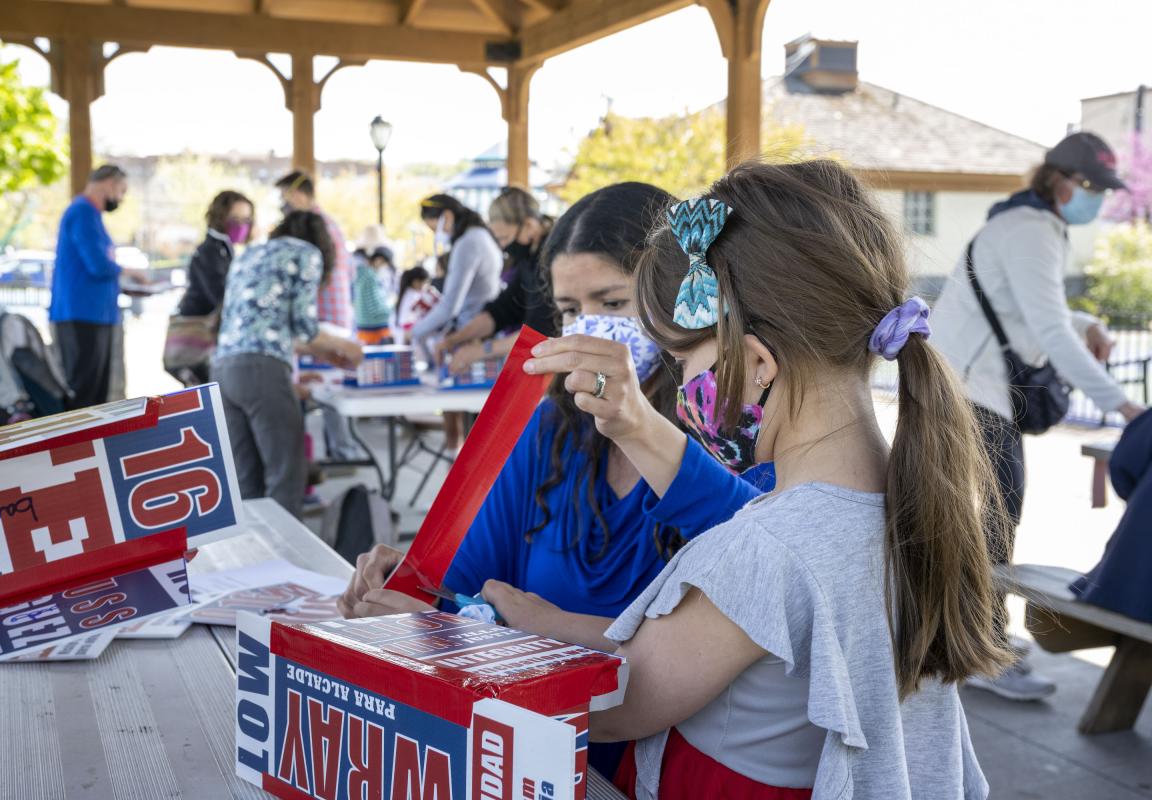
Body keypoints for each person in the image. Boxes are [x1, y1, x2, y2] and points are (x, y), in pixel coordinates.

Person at [493, 161, 1008, 798]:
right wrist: (544, 617)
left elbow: (620, 698)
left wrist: (494, 647)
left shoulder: (764, 551)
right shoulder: (907, 506)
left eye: (684, 360)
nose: (679, 388)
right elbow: (702, 647)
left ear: (757, 362)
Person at [337, 182, 774, 778]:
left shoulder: (733, 433)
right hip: (523, 757)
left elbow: (770, 555)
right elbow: (467, 588)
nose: (589, 328)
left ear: (678, 304)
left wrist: (638, 426)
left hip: (650, 773)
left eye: (613, 304)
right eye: (571, 310)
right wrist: (408, 590)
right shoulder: (548, 429)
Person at [930, 131, 1144, 701]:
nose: (1095, 199)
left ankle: (971, 636)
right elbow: (1046, 327)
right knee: (994, 519)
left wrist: (1084, 321)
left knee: (978, 518)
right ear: (1060, 181)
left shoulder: (1019, 223)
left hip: (961, 387)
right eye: (1091, 187)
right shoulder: (1031, 229)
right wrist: (1124, 407)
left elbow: (1031, 307)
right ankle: (978, 650)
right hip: (976, 393)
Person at [211, 210, 363, 519]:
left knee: (246, 480)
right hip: (262, 371)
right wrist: (345, 347)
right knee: (285, 476)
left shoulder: (251, 253)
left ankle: (251, 558)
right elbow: (304, 325)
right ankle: (284, 562)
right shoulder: (306, 253)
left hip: (224, 369)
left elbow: (263, 324)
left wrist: (315, 356)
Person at [50, 164, 144, 409]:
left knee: (97, 393)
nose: (120, 198)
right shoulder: (82, 212)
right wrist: (129, 272)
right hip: (81, 314)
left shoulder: (91, 215)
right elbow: (98, 265)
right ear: (109, 184)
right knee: (84, 391)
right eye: (121, 190)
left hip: (96, 314)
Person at [435, 186, 558, 374]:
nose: (502, 246)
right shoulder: (527, 259)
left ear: (529, 226)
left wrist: (480, 351)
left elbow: (540, 331)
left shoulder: (554, 260)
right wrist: (454, 340)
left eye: (504, 238)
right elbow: (504, 308)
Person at [170, 191, 255, 384]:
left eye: (246, 220)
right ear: (220, 217)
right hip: (200, 339)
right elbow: (221, 296)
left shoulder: (225, 249)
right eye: (235, 219)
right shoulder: (210, 251)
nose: (241, 226)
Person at [408, 194, 503, 349]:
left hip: (473, 333)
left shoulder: (467, 243)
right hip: (483, 328)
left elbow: (450, 306)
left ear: (447, 216)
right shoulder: (480, 234)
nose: (437, 235)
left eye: (434, 229)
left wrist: (412, 333)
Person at [275, 171, 353, 333]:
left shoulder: (310, 227)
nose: (282, 204)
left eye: (284, 197)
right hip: (335, 316)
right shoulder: (329, 223)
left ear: (297, 195)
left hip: (321, 319)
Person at [354, 245, 396, 345]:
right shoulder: (370, 277)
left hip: (365, 329)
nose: (385, 268)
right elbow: (376, 309)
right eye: (385, 264)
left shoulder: (362, 274)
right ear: (378, 260)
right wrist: (392, 305)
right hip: (375, 331)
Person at [395, 265, 436, 342]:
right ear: (416, 282)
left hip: (407, 333)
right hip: (409, 334)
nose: (427, 286)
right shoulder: (414, 296)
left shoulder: (409, 294)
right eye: (426, 283)